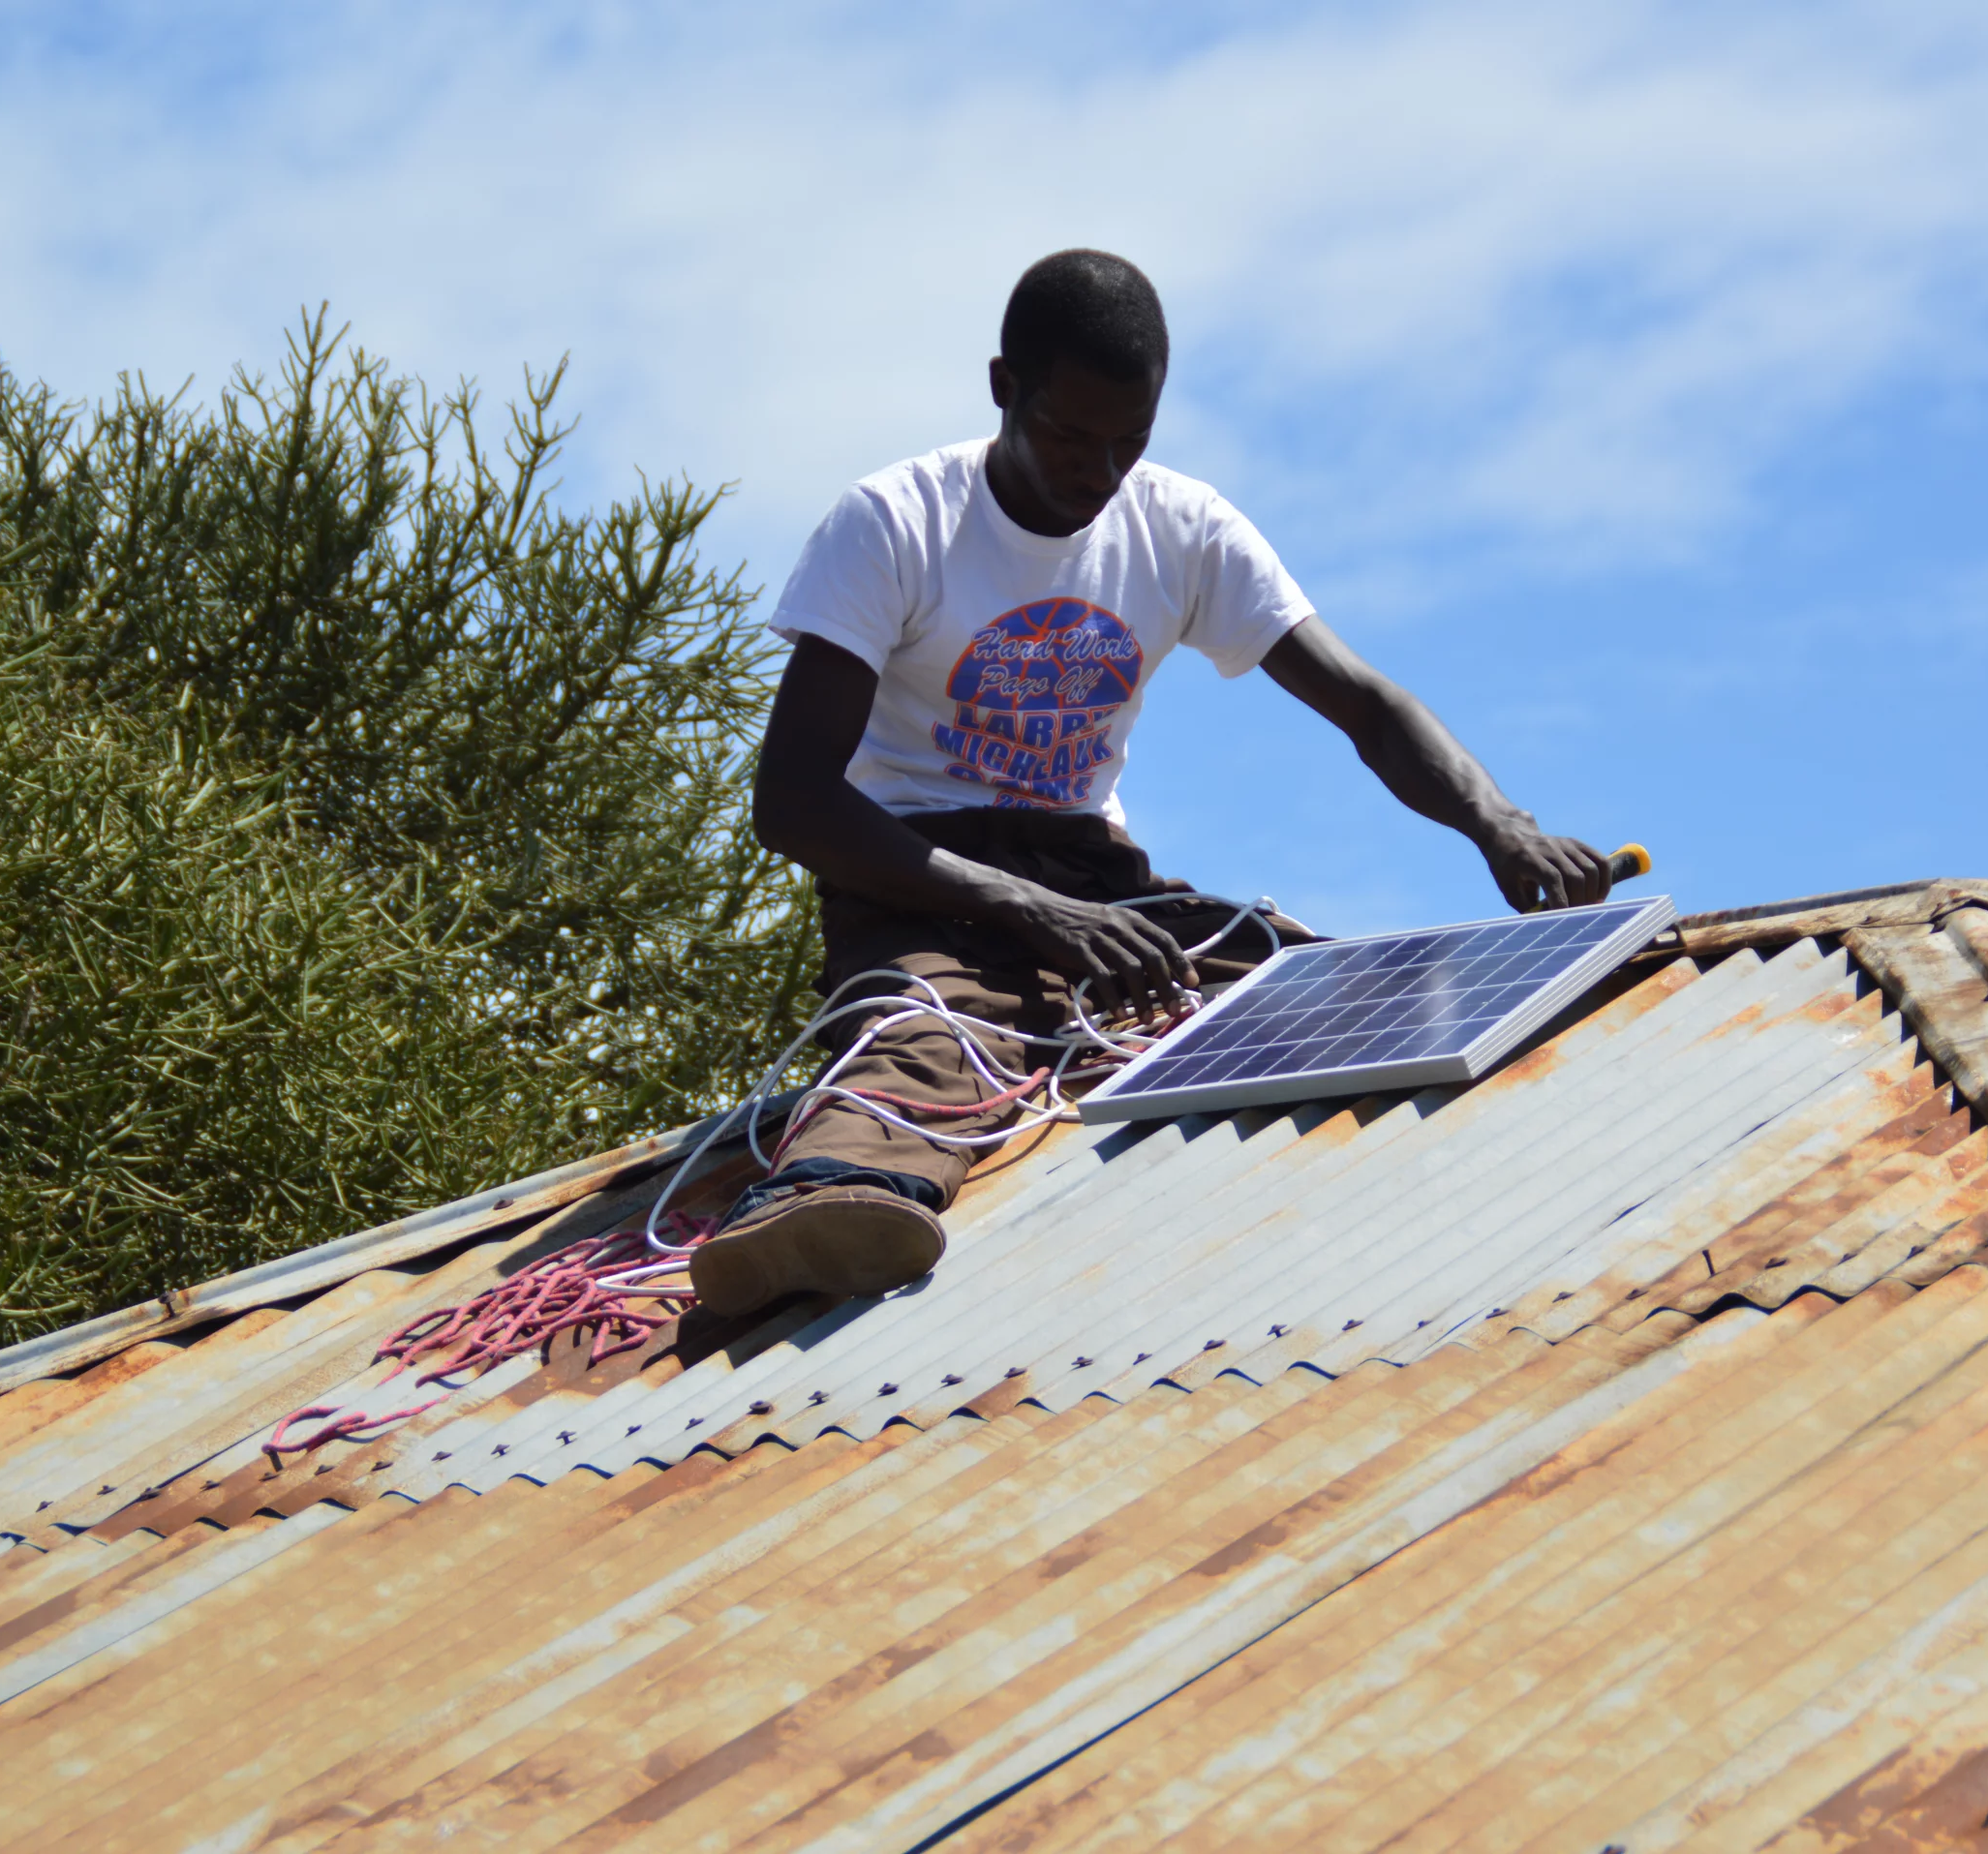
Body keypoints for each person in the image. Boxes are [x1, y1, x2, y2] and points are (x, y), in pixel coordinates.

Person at [690, 249, 1612, 1317]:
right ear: (1004, 389)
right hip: (916, 875)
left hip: (1089, 872)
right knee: (939, 1034)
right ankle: (815, 1211)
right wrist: (1021, 906)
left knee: (1302, 990)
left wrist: (1501, 825)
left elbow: (1364, 701)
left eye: (1130, 441)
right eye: (1069, 438)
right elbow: (792, 799)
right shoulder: (894, 524)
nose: (1099, 472)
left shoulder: (1183, 525)